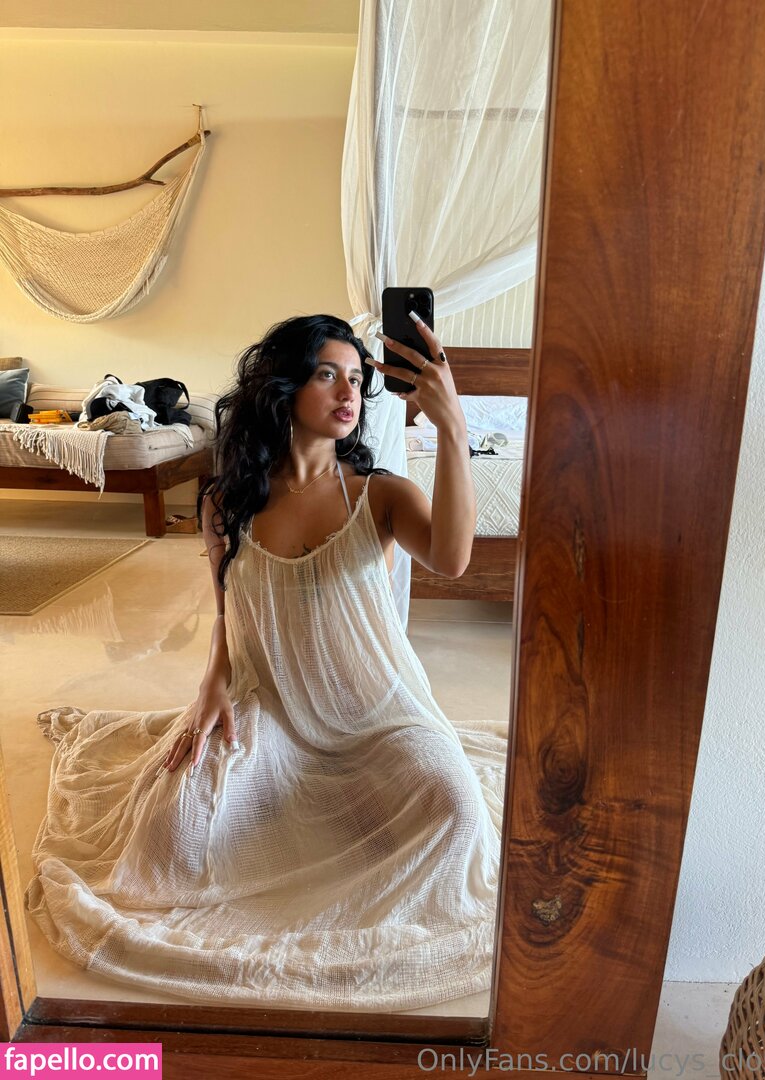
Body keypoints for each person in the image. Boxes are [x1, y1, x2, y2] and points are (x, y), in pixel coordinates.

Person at [26, 313, 508, 1012]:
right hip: (272, 707)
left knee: (458, 815)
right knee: (172, 832)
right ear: (284, 387)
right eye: (327, 374)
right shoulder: (227, 503)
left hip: (380, 715)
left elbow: (453, 558)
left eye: (356, 378)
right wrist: (211, 684)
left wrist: (453, 428)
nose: (348, 392)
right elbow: (230, 611)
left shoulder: (380, 496)